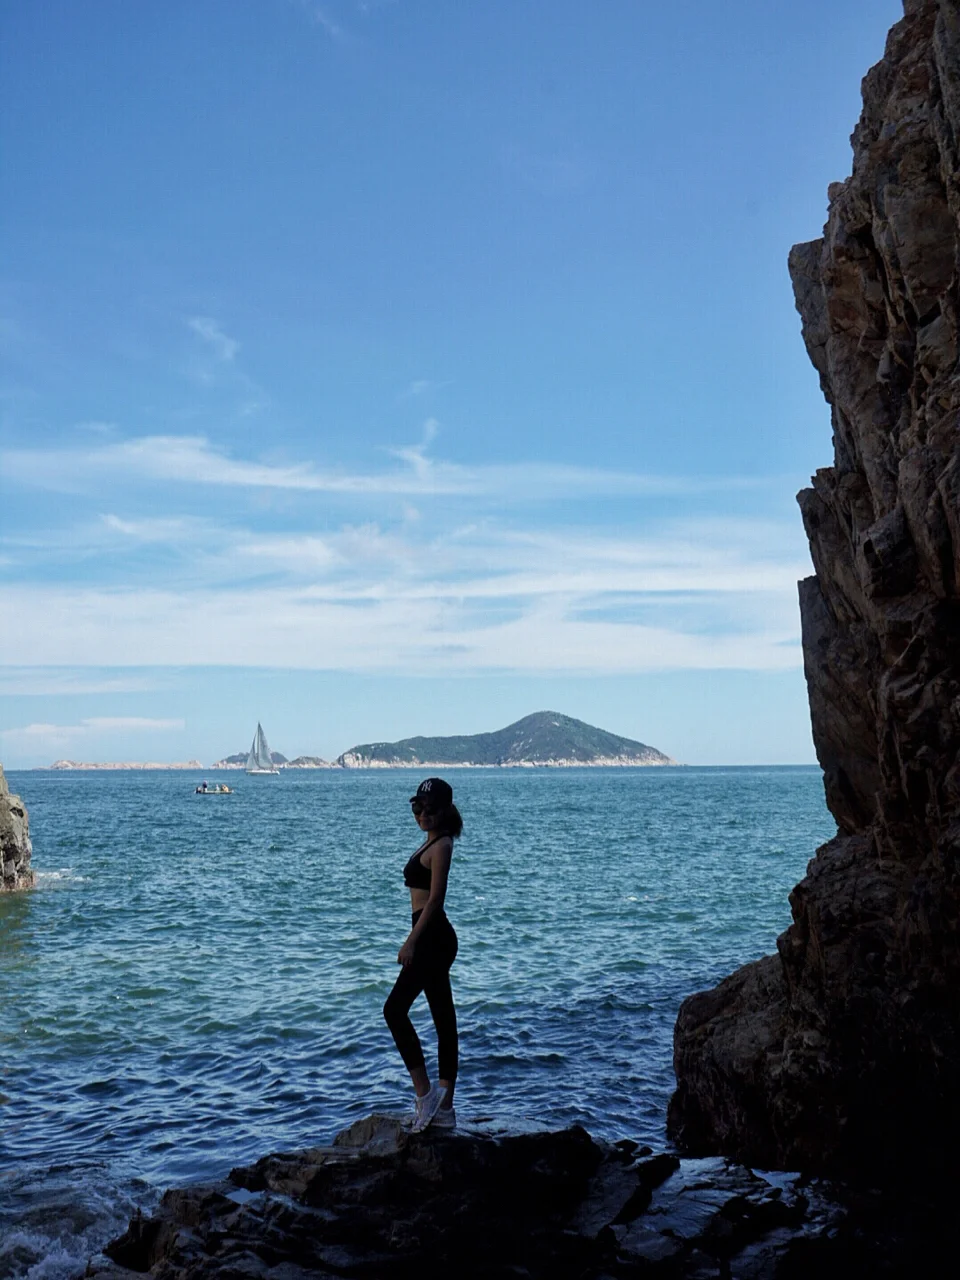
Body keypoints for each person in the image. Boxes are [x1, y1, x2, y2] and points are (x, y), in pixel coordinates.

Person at [383, 776, 463, 1133]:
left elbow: (435, 901)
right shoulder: (428, 842)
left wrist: (411, 941)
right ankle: (443, 1107)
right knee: (442, 1017)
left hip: (432, 936)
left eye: (430, 809)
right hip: (430, 935)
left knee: (394, 1010)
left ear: (444, 811)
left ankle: (427, 1095)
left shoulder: (442, 845)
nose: (422, 814)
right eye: (418, 807)